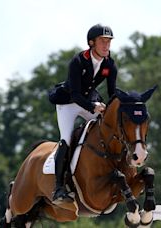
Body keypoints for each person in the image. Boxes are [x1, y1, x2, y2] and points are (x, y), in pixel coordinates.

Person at [48, 24, 118, 204]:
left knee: (107, 128)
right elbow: (75, 95)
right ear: (91, 43)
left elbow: (113, 93)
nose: (106, 46)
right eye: (103, 41)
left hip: (90, 101)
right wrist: (93, 107)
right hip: (69, 103)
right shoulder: (78, 61)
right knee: (66, 139)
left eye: (108, 42)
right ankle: (58, 188)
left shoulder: (109, 64)